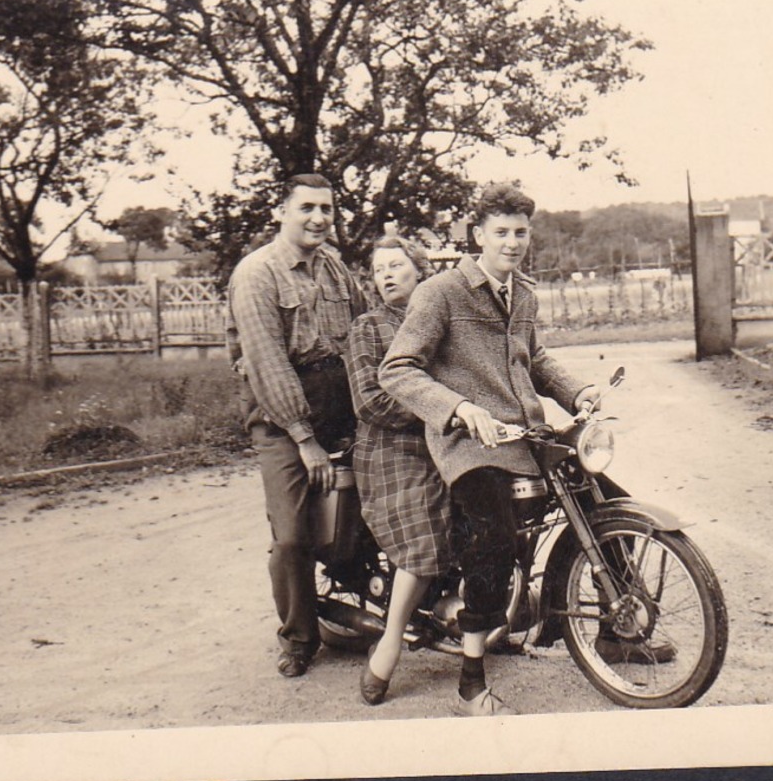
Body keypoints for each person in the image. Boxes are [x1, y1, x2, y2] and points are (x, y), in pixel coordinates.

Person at [379, 183, 601, 716]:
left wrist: (577, 392)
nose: (512, 242)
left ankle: (619, 627)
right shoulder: (441, 292)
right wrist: (457, 408)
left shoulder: (522, 292)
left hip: (525, 437)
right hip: (469, 446)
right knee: (493, 537)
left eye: (521, 231)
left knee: (601, 496)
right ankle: (471, 679)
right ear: (476, 235)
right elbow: (397, 369)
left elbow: (535, 358)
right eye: (500, 232)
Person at [227, 173, 367, 679]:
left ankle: (379, 603)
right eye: (306, 207)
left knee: (381, 500)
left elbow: (365, 330)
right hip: (282, 421)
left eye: (327, 209)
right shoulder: (256, 274)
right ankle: (299, 637)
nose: (318, 218)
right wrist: (305, 441)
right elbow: (266, 362)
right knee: (291, 536)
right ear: (281, 212)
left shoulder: (334, 267)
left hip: (342, 406)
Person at [344, 235, 452, 706]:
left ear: (420, 269)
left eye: (396, 265)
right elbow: (371, 401)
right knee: (424, 527)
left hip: (447, 438)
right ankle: (389, 643)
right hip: (391, 447)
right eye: (378, 269)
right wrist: (444, 410)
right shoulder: (368, 328)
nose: (386, 274)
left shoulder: (442, 320)